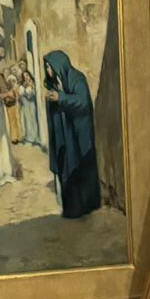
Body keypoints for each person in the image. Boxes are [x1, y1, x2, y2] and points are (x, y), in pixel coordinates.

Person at [42, 50, 102, 218]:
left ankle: (87, 205)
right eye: (46, 67)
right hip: (65, 137)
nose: (48, 70)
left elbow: (82, 102)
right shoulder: (55, 83)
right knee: (66, 169)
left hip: (78, 134)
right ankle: (72, 209)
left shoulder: (77, 79)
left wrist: (60, 98)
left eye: (50, 66)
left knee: (80, 167)